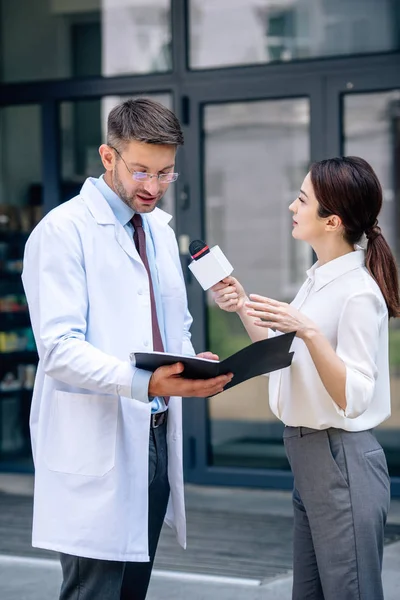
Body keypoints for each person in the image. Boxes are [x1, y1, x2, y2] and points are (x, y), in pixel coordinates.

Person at [22, 98, 233, 600]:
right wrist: (143, 382)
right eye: (141, 170)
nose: (153, 187)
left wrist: (189, 362)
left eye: (165, 174)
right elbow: (58, 350)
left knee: (132, 590)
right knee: (95, 592)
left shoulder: (159, 230)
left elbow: (171, 324)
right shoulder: (61, 231)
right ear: (107, 156)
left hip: (155, 435)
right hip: (96, 441)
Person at [212, 156, 399, 600]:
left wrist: (309, 331)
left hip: (340, 456)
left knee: (348, 593)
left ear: (332, 220)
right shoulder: (319, 279)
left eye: (301, 199)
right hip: (310, 456)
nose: (292, 208)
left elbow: (354, 395)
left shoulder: (357, 292)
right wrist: (242, 305)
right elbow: (287, 357)